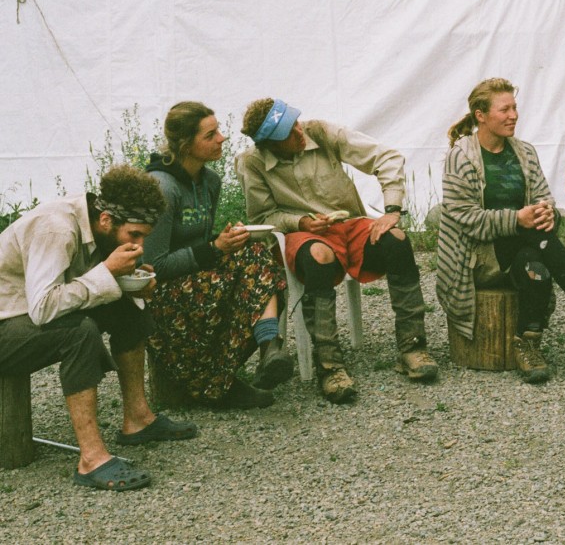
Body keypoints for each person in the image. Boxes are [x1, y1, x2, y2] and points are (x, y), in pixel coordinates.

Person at [0, 166, 197, 491]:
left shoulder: (94, 222)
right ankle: (91, 458)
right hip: (7, 323)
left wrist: (125, 280)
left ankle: (137, 419)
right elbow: (44, 307)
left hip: (23, 314)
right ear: (106, 220)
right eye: (134, 235)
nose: (140, 245)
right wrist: (107, 271)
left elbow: (80, 284)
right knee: (80, 333)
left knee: (125, 306)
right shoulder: (57, 229)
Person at [236, 98, 437, 404]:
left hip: (349, 225)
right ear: (270, 146)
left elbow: (387, 157)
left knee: (396, 240)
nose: (299, 133)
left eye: (296, 123)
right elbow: (263, 219)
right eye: (289, 134)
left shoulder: (321, 132)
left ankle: (413, 347)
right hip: (302, 236)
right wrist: (299, 220)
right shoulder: (252, 162)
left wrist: (392, 209)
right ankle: (330, 366)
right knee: (319, 257)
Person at [438, 79, 565, 383]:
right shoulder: (461, 156)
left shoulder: (524, 152)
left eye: (514, 107)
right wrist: (519, 219)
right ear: (481, 115)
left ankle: (527, 346)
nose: (514, 115)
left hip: (522, 246)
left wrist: (545, 213)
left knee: (536, 266)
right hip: (477, 255)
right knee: (532, 235)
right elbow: (465, 219)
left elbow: (543, 197)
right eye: (504, 109)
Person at [144, 102, 292, 409]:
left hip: (198, 279)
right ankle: (226, 378)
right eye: (211, 134)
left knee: (258, 254)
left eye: (219, 130)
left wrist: (225, 241)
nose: (222, 138)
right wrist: (215, 248)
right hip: (163, 294)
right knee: (255, 265)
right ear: (186, 144)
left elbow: (201, 245)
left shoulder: (209, 181)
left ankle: (267, 352)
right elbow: (154, 266)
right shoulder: (162, 188)